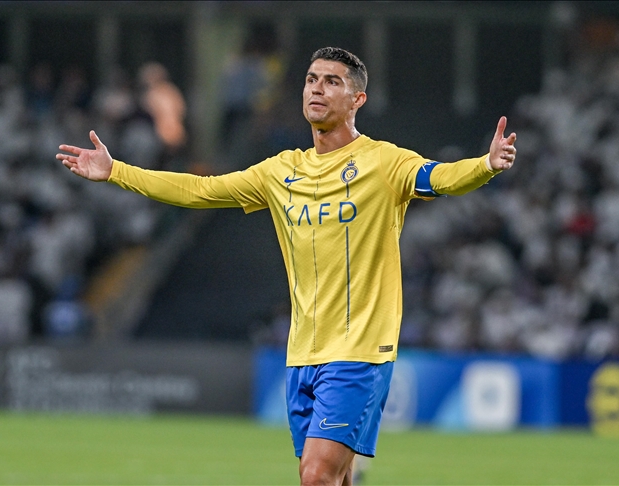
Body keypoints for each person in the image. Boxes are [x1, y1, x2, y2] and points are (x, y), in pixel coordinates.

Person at [57, 47, 517, 485]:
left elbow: (438, 177)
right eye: (311, 79)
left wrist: (486, 165)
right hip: (301, 354)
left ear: (357, 100)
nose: (317, 88)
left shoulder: (382, 162)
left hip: (359, 351)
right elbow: (200, 191)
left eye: (332, 82)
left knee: (315, 475)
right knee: (332, 477)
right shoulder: (281, 171)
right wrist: (117, 172)